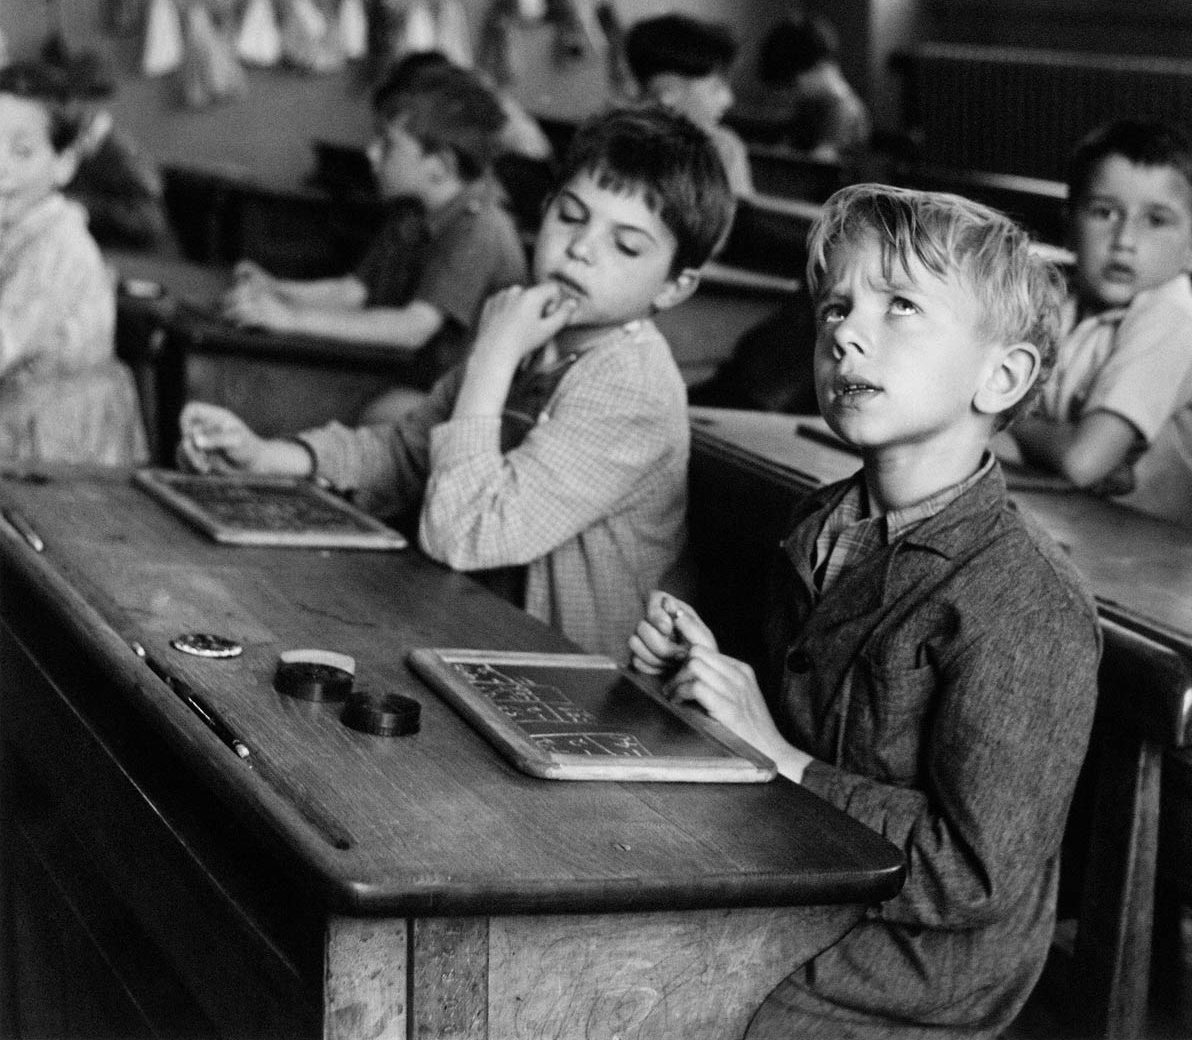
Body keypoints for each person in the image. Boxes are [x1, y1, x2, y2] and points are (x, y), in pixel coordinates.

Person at [630, 184, 1100, 1038]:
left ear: (1002, 377)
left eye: (901, 307)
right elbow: (800, 728)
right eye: (836, 306)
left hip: (915, 970)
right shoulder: (824, 525)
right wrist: (700, 690)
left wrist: (776, 757)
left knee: (643, 999)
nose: (845, 333)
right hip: (802, 883)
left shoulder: (1025, 599)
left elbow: (969, 876)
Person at [178, 105, 735, 656]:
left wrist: (493, 356)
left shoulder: (629, 383)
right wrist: (268, 458)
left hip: (571, 683)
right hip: (470, 631)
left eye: (627, 245)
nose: (582, 248)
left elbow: (467, 533)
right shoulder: (532, 328)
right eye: (570, 216)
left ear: (674, 287)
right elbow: (407, 449)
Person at [222, 62, 528, 424]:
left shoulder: (480, 228)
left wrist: (290, 318)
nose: (371, 153)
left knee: (366, 413)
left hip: (467, 409)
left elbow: (412, 328)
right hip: (413, 381)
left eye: (388, 144)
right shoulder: (413, 216)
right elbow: (352, 292)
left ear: (440, 166)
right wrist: (276, 291)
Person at [1008, 119, 1192, 536]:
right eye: (1104, 212)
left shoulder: (1172, 317)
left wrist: (1007, 417)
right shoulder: (1058, 304)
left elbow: (1083, 461)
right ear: (1069, 226)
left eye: (1156, 220)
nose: (1124, 239)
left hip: (1175, 557)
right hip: (1086, 527)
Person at [0, 61, 147, 464]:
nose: (0, 166)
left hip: (60, 448)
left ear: (64, 162)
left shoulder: (59, 244)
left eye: (21, 151)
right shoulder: (13, 227)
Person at [39, 38, 176, 255]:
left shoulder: (115, 150)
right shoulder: (66, 142)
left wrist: (73, 204)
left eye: (63, 100)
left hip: (137, 258)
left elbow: (148, 222)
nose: (54, 109)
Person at [623, 12, 754, 197]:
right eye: (716, 87)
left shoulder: (724, 148)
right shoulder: (721, 149)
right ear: (668, 91)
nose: (728, 99)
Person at [757, 15, 870, 161]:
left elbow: (819, 166)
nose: (792, 93)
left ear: (815, 67)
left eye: (792, 84)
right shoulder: (812, 105)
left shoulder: (843, 111)